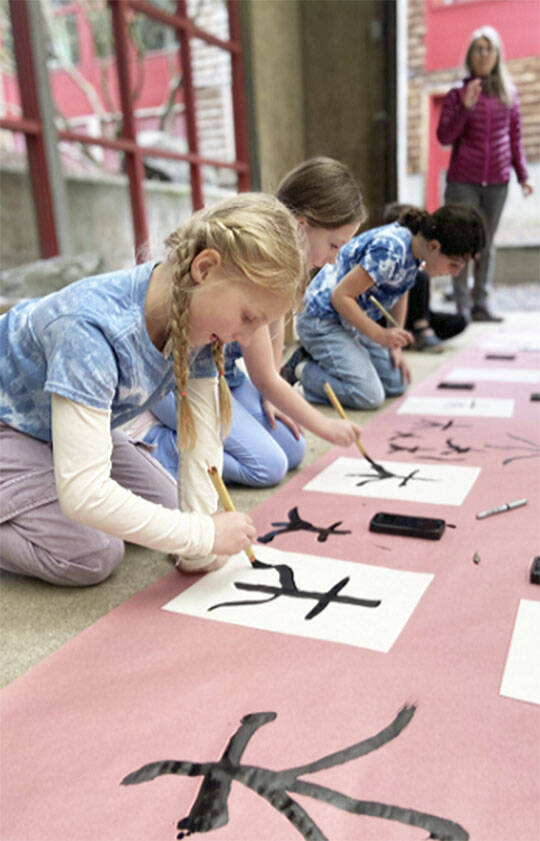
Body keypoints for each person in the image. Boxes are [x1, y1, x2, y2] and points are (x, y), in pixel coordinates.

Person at [1, 193, 364, 586]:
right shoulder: (89, 329)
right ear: (205, 268)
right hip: (11, 427)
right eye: (246, 317)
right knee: (93, 554)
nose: (242, 339)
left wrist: (199, 544)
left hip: (58, 424)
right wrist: (205, 534)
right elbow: (84, 494)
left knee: (172, 511)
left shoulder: (196, 320)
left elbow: (201, 443)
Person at [136, 157, 365, 488]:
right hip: (177, 381)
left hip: (223, 376)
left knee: (292, 447)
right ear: (302, 227)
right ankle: (153, 445)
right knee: (268, 466)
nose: (333, 260)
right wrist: (326, 427)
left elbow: (270, 352)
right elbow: (264, 373)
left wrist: (270, 394)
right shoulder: (260, 263)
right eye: (334, 246)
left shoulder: (284, 268)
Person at [281, 204, 485, 410]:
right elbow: (340, 297)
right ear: (434, 246)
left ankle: (327, 359)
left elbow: (400, 293)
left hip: (352, 322)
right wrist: (379, 335)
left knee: (397, 383)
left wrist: (394, 343)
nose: (456, 273)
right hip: (322, 320)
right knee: (368, 396)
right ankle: (301, 368)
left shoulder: (415, 250)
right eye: (454, 264)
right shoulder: (391, 250)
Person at [436, 25, 534, 323]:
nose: (483, 54)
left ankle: (482, 303)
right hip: (463, 181)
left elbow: (514, 138)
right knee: (460, 241)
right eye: (477, 48)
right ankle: (462, 305)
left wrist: (524, 175)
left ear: (497, 54)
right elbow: (444, 136)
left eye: (488, 48)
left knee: (487, 243)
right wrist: (465, 108)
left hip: (497, 181)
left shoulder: (508, 94)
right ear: (470, 55)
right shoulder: (457, 93)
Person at [383, 202, 467, 352]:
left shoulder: (421, 251)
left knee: (460, 320)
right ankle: (420, 331)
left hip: (415, 314)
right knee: (420, 276)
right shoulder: (387, 250)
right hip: (388, 316)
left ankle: (414, 334)